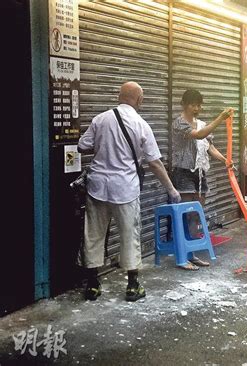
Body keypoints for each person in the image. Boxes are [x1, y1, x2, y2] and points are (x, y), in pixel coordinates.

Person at [78, 82, 181, 302]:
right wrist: (171, 189)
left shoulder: (100, 119)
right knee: (129, 235)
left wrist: (104, 146)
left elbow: (82, 146)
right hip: (125, 188)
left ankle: (93, 286)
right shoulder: (140, 124)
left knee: (93, 235)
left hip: (97, 186)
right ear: (140, 100)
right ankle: (132, 286)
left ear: (119, 96)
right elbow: (154, 162)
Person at [171, 89, 234, 270]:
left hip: (199, 173)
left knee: (195, 215)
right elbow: (199, 135)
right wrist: (220, 119)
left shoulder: (202, 124)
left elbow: (208, 147)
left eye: (199, 104)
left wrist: (225, 161)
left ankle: (192, 253)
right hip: (183, 172)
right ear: (184, 104)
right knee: (186, 214)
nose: (197, 108)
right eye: (193, 104)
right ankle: (182, 257)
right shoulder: (179, 123)